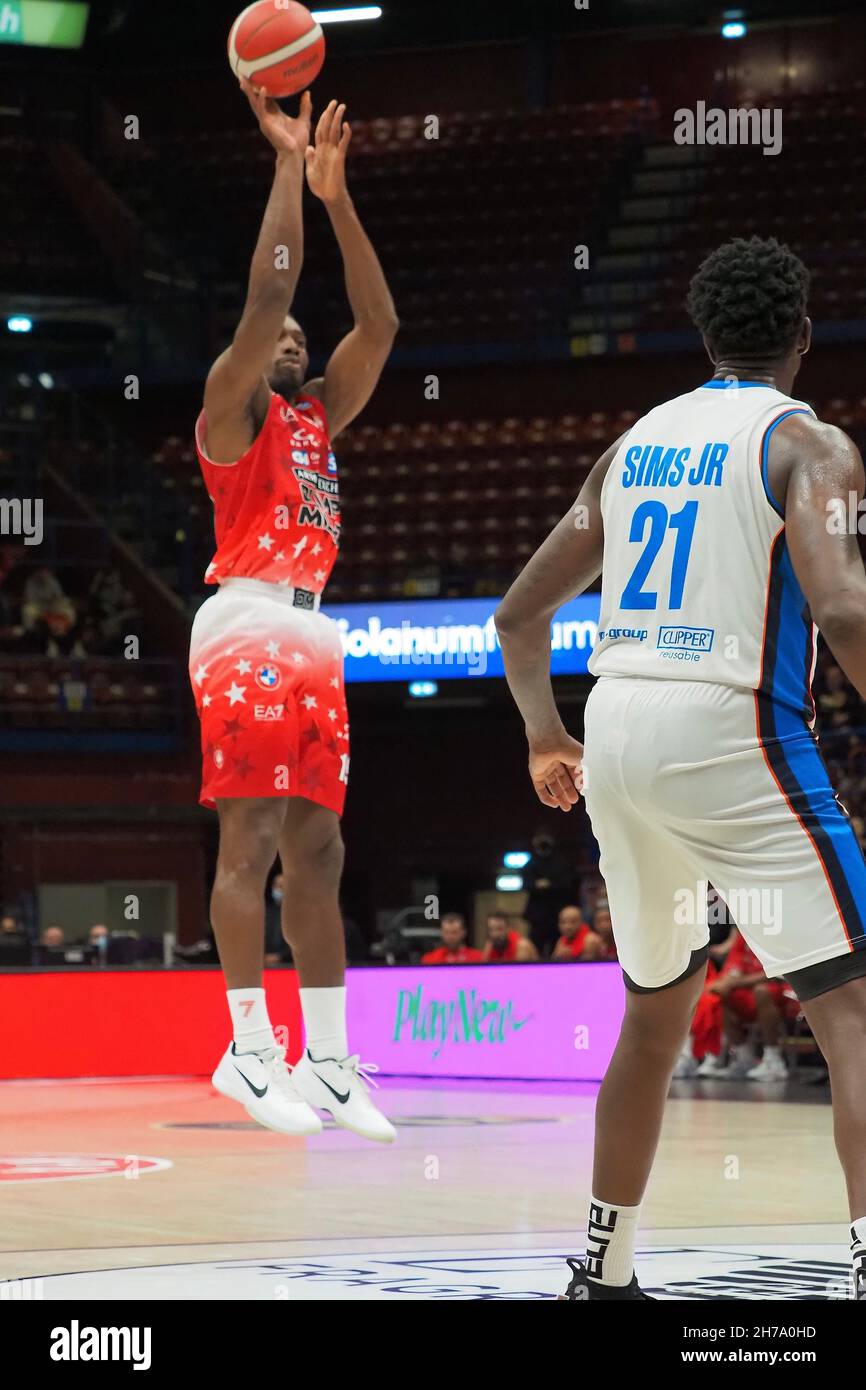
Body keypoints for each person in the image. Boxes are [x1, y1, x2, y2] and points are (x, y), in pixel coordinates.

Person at [495, 235, 866, 1301]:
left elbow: (519, 614)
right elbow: (839, 605)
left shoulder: (637, 442)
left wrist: (542, 737)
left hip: (611, 729)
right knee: (847, 1010)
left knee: (652, 1016)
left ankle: (601, 1270)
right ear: (801, 337)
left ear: (705, 338)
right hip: (728, 723)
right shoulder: (811, 446)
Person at [188, 84, 398, 1142]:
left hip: (314, 628)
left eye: (295, 341)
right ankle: (246, 1046)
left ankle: (324, 1056)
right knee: (254, 836)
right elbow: (270, 302)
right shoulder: (233, 411)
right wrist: (282, 170)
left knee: (320, 853)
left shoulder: (319, 416)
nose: (287, 342)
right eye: (277, 337)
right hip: (246, 614)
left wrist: (338, 192)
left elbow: (380, 322)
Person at [675, 930, 800, 1080]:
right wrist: (722, 984)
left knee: (761, 991)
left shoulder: (779, 933)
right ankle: (743, 1058)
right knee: (717, 994)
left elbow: (778, 973)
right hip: (749, 990)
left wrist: (735, 982)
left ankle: (774, 1061)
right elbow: (733, 969)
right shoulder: (745, 934)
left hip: (786, 991)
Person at [522, 828, 576, 957]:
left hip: (557, 913)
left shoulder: (561, 862)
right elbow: (527, 885)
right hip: (537, 916)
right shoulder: (530, 864)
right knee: (535, 947)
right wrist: (543, 885)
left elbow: (567, 883)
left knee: (556, 945)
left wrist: (547, 885)